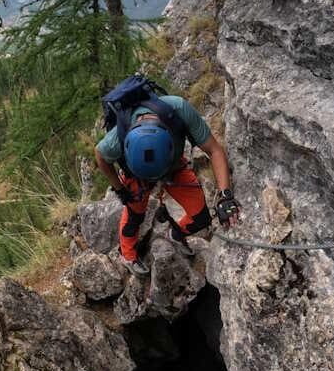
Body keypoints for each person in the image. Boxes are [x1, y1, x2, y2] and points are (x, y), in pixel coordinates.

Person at [95, 89, 240, 275]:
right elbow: (100, 156)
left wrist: (225, 195)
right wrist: (119, 189)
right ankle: (128, 255)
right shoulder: (116, 137)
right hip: (136, 174)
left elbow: (214, 150)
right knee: (135, 217)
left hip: (173, 168)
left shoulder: (178, 109)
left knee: (201, 218)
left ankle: (176, 234)